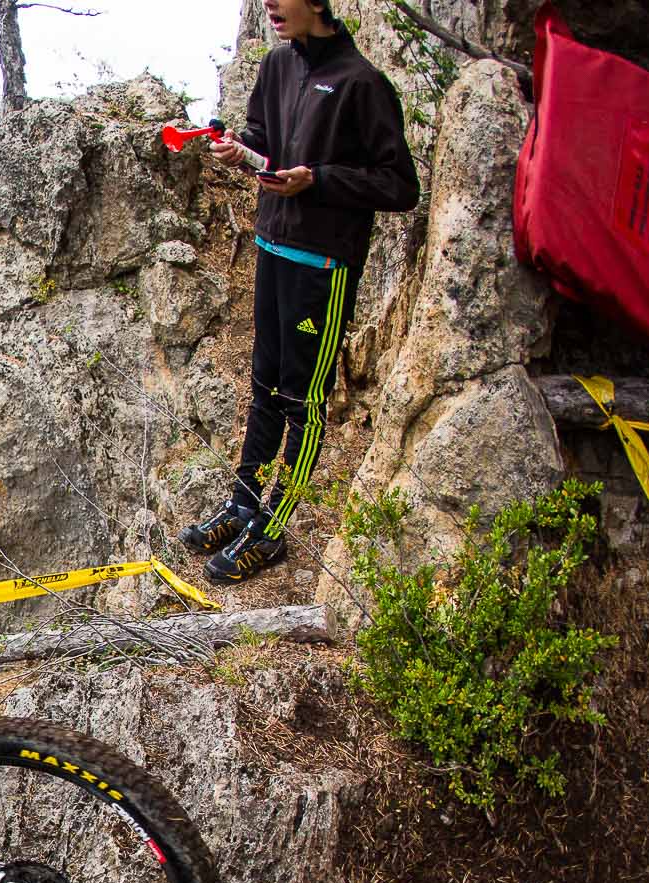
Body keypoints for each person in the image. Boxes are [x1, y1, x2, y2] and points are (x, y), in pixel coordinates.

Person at [178, 0, 418, 583]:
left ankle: (273, 528)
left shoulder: (364, 84)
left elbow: (399, 185)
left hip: (325, 265)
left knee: (302, 400)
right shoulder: (278, 66)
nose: (269, 4)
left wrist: (320, 180)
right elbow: (264, 137)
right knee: (263, 386)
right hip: (273, 246)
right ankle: (243, 505)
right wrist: (242, 150)